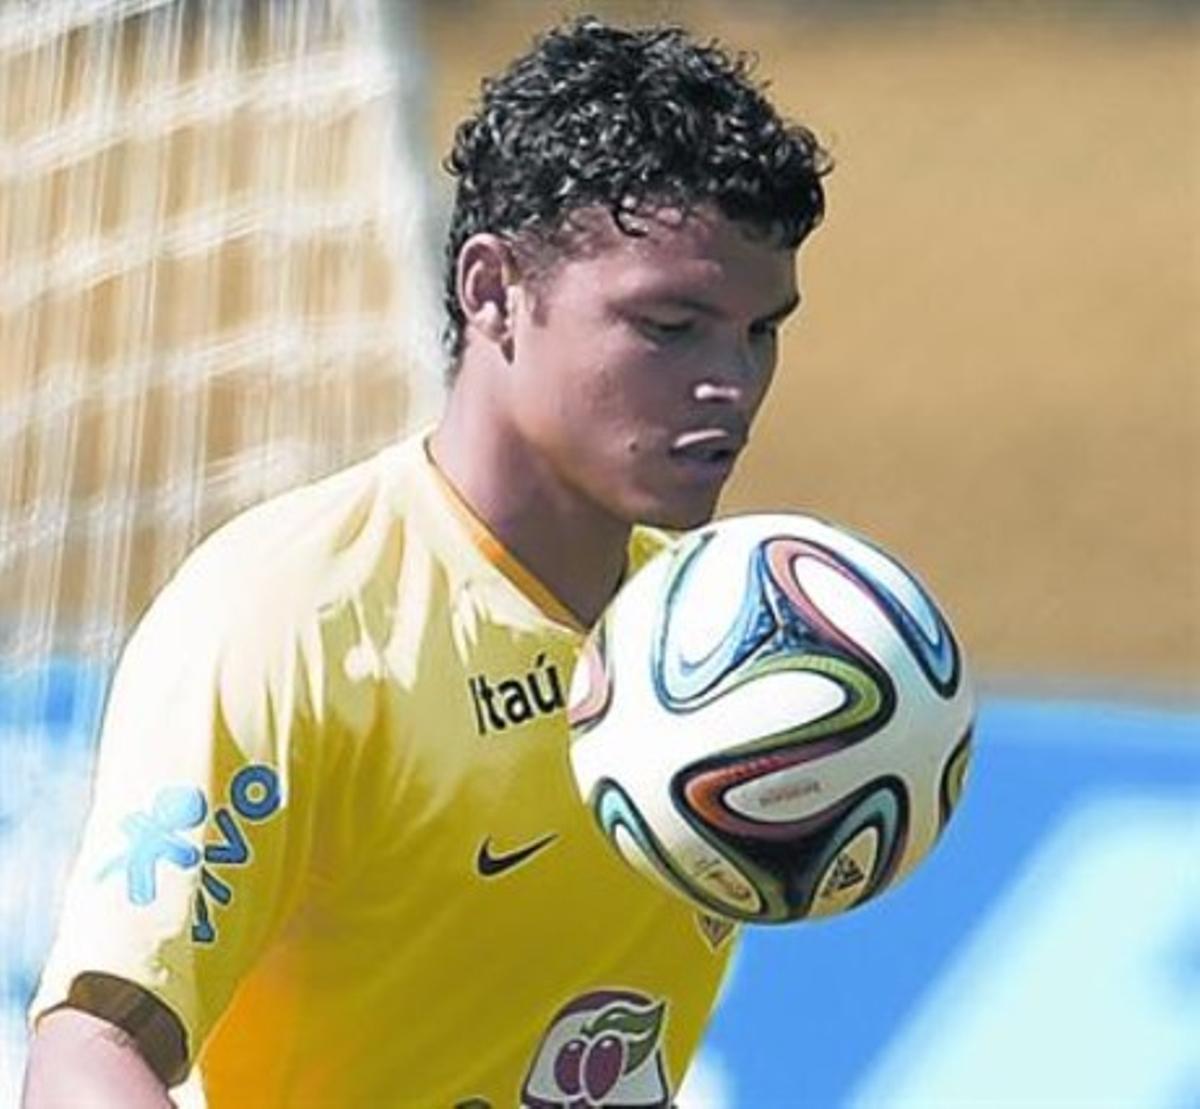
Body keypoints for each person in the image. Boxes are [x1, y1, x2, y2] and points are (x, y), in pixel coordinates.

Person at [23, 15, 829, 1107]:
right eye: (670, 325)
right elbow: (89, 1050)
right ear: (491, 290)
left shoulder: (720, 644)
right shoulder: (295, 617)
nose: (730, 381)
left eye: (760, 331)